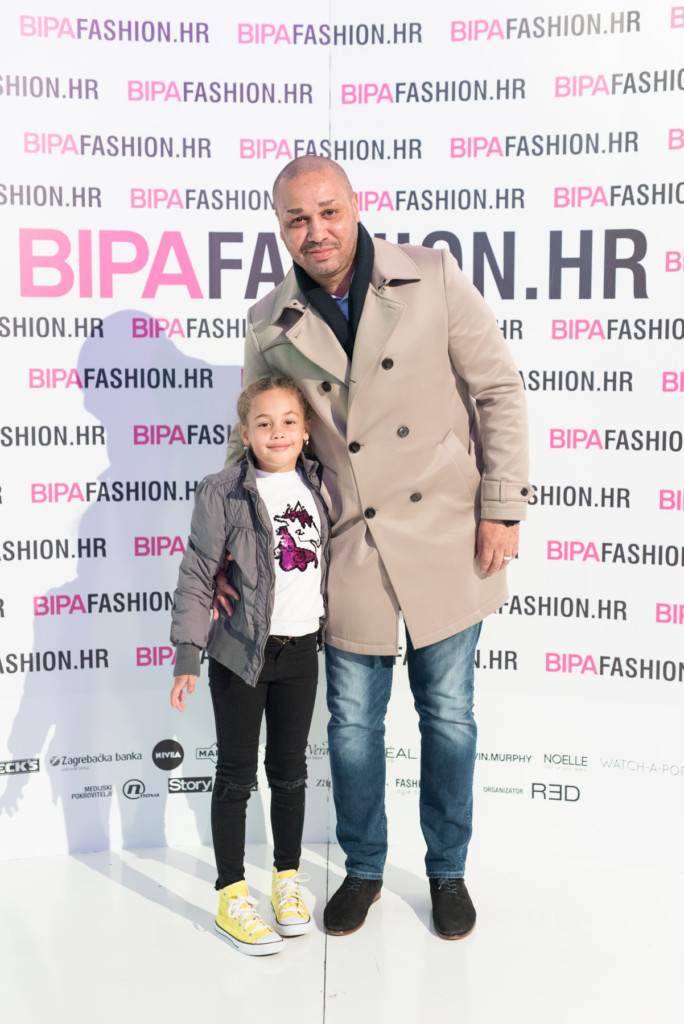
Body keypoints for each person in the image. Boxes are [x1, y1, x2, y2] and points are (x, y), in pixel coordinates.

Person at [216, 155, 531, 940]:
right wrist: (229, 547)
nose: (315, 231)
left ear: (355, 207)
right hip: (349, 543)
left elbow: (497, 390)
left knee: (449, 715)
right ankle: (363, 868)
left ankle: (447, 870)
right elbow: (249, 438)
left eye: (328, 211)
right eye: (297, 219)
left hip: (445, 533)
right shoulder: (270, 321)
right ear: (280, 227)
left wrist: (502, 506)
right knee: (353, 724)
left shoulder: (432, 276)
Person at [169, 375, 329, 956]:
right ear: (245, 432)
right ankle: (232, 895)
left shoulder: (320, 484)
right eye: (263, 423)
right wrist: (188, 652)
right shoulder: (224, 491)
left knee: (289, 771)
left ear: (306, 431)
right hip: (241, 654)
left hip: (301, 651)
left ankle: (286, 880)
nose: (277, 432)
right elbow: (197, 570)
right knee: (236, 774)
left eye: (288, 421)